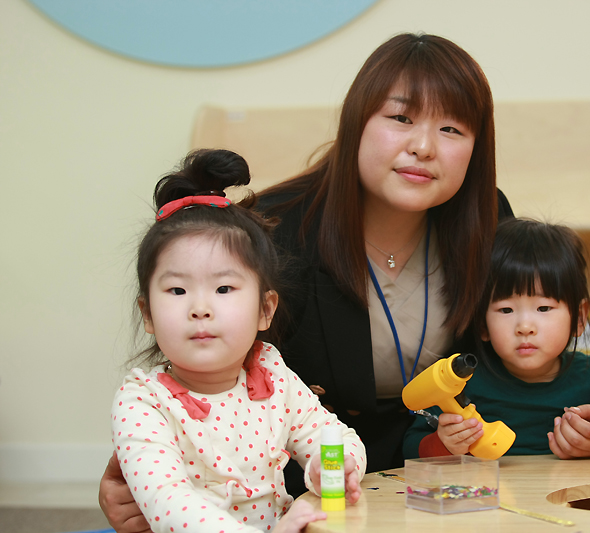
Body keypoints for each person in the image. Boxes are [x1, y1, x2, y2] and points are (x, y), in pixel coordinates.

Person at [100, 32, 515, 532]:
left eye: (452, 128)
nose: (423, 146)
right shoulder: (272, 230)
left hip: (441, 473)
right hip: (302, 496)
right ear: (357, 122)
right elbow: (200, 377)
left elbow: (516, 354)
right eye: (401, 118)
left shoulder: (489, 220)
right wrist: (147, 479)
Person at [111, 149, 365, 533]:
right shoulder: (142, 403)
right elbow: (170, 505)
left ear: (266, 310)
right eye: (177, 290)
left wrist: (333, 466)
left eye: (224, 288)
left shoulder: (272, 376)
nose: (200, 308)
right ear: (147, 313)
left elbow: (334, 436)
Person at [403, 218, 590, 460]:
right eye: (506, 310)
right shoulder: (460, 386)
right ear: (482, 325)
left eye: (543, 308)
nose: (525, 326)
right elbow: (410, 450)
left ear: (578, 318)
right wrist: (445, 444)